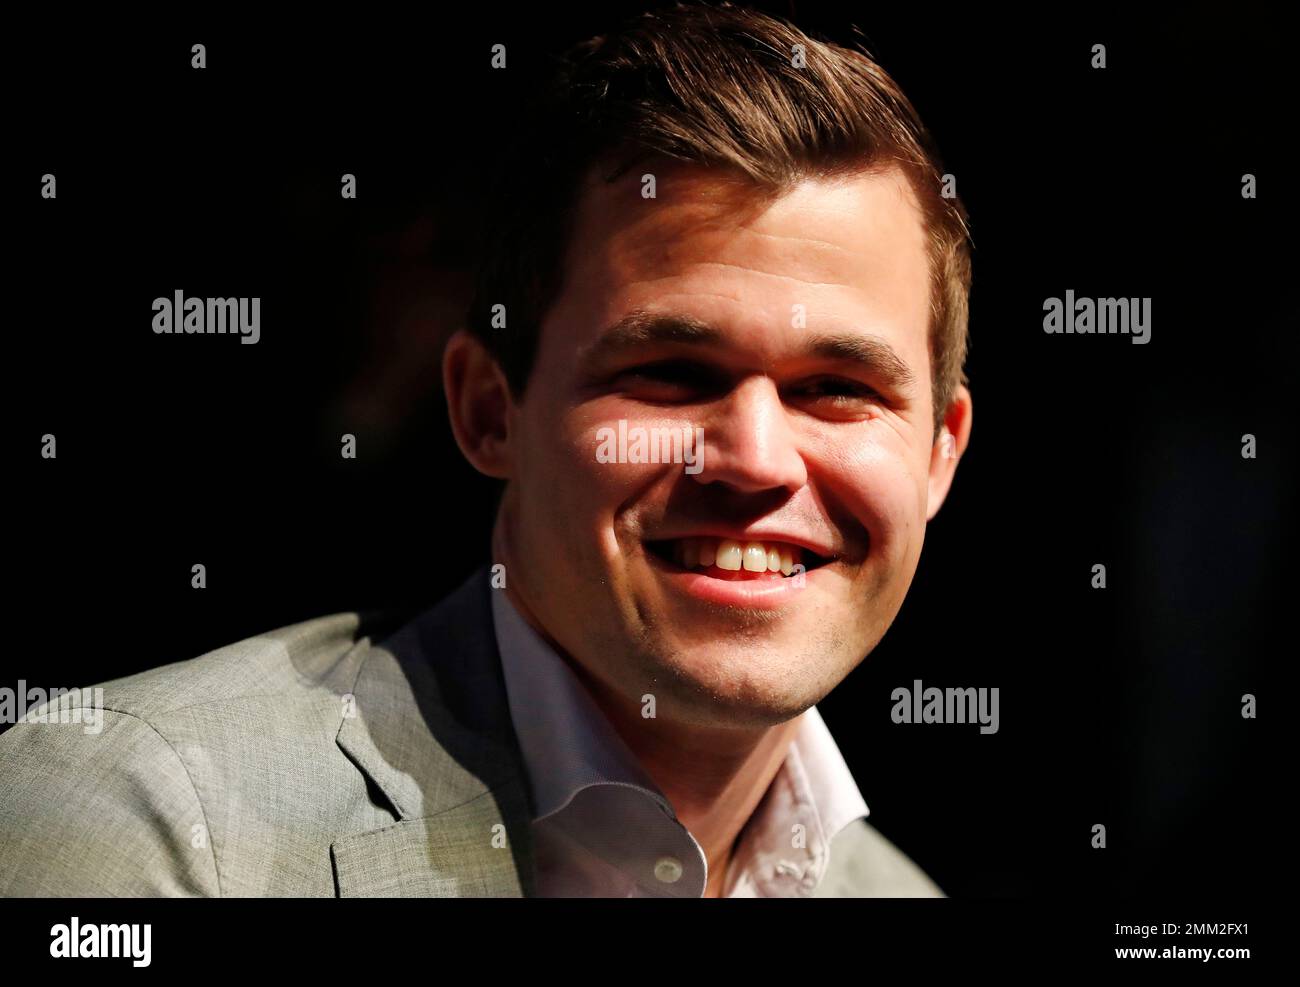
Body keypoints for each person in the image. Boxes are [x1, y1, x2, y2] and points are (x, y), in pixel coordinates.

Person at [0, 2, 971, 897]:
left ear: (939, 452)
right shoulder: (139, 816)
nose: (756, 459)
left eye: (837, 390)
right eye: (671, 371)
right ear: (487, 412)